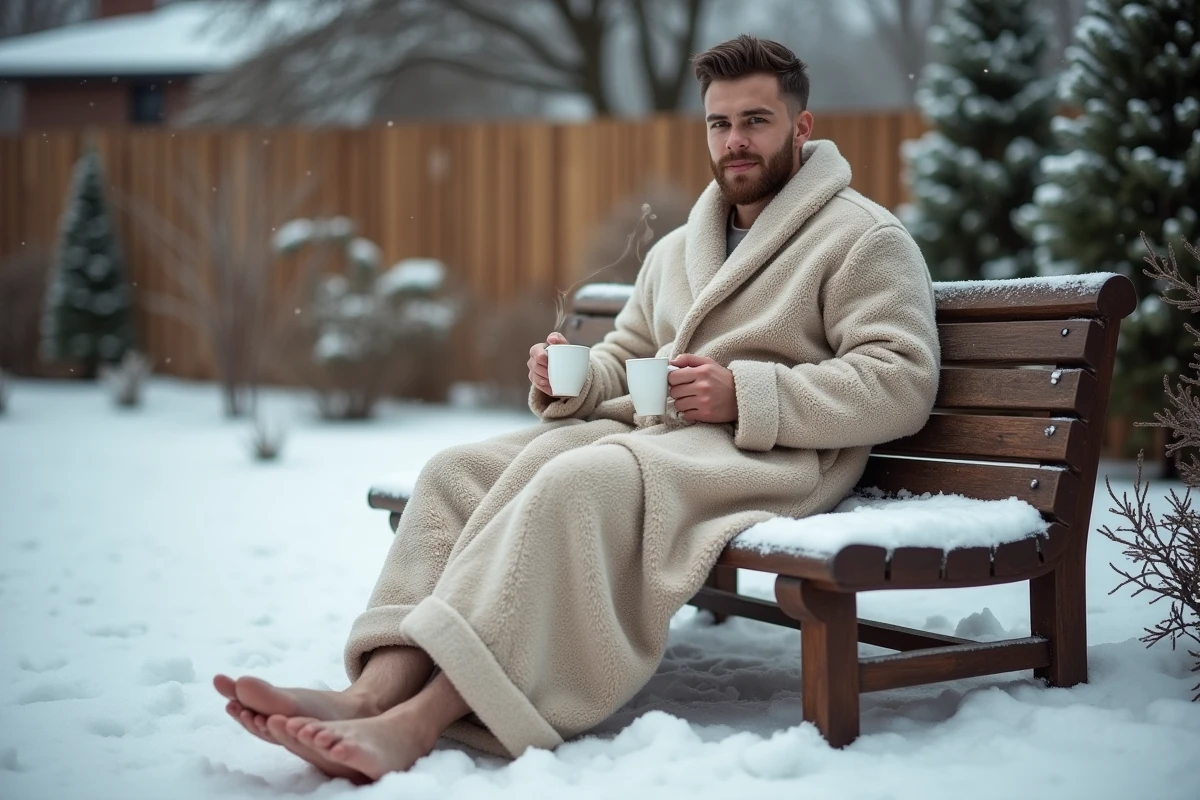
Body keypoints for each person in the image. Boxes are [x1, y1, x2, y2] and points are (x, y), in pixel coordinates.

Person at [213, 34, 941, 782]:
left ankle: (414, 724)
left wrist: (748, 393)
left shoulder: (862, 237)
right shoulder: (683, 247)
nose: (735, 142)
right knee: (457, 471)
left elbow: (902, 380)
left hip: (775, 457)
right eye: (719, 124)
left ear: (802, 126)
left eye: (755, 121)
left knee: (574, 484)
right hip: (662, 440)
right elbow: (627, 355)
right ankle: (366, 696)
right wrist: (577, 382)